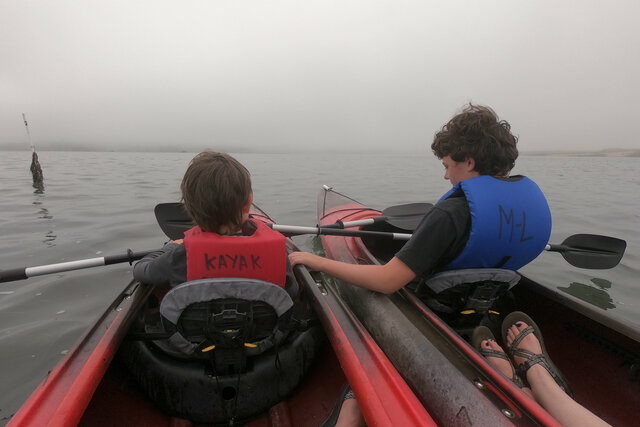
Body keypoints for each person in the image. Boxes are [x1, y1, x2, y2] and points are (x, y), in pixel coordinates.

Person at [288, 104, 605, 426]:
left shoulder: (450, 214)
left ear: (469, 161)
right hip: (479, 310)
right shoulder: (531, 207)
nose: (445, 174)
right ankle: (525, 381)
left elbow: (387, 281)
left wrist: (318, 262)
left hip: (427, 316)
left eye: (448, 164)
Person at [133, 151, 297, 298]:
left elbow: (141, 269)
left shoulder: (181, 257)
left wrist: (171, 247)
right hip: (264, 331)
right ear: (248, 204)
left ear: (190, 208)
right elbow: (292, 292)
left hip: (195, 332)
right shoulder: (277, 253)